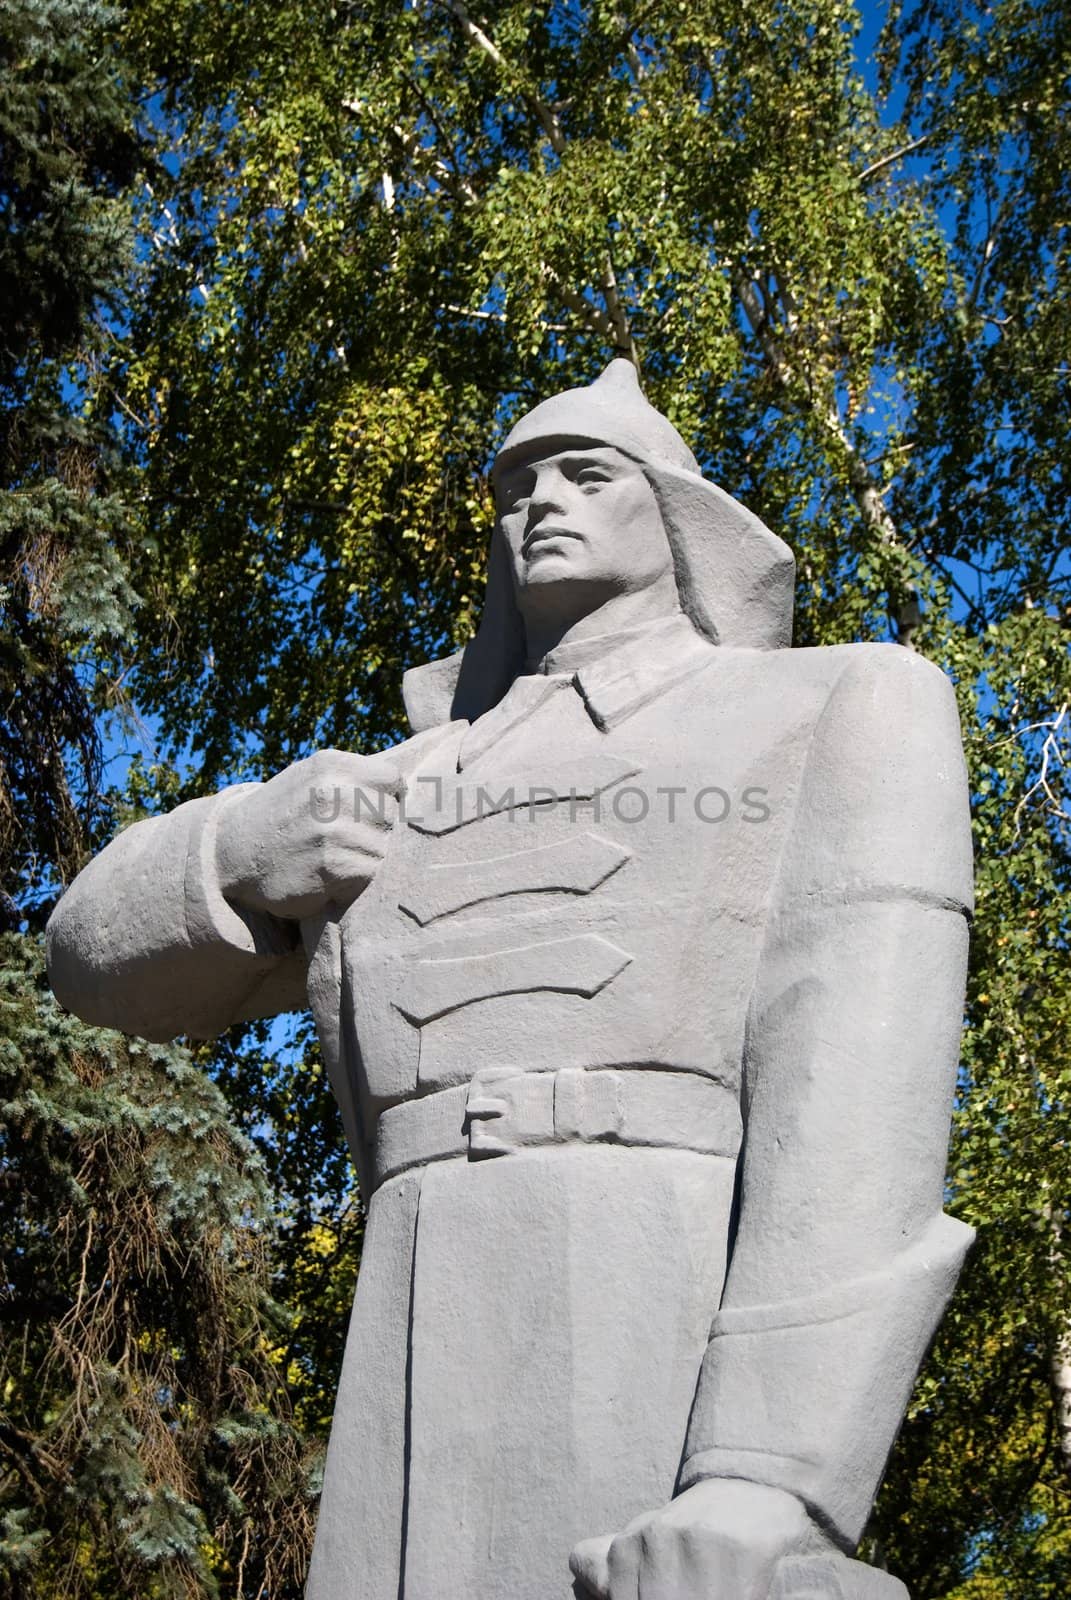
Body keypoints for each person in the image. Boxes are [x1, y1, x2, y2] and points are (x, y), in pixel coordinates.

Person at [47, 361, 974, 1600]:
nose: (540, 502)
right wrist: (236, 849)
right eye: (514, 485)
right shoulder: (396, 786)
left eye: (585, 475)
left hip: (659, 1307)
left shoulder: (825, 706)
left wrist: (768, 1475)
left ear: (678, 515)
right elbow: (85, 963)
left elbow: (859, 1105)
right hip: (409, 1327)